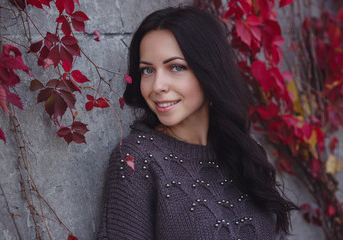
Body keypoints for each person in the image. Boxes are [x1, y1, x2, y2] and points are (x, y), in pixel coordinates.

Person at [98, 6, 296, 240]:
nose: (157, 85)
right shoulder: (137, 158)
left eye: (176, 67)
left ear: (209, 71)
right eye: (147, 70)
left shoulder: (241, 150)